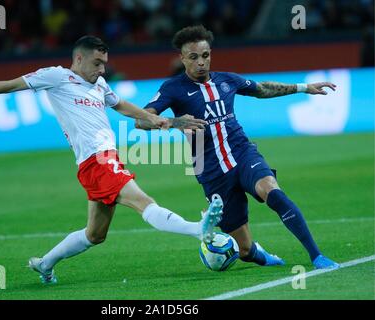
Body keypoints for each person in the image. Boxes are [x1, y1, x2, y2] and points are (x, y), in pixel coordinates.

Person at [0, 35, 223, 284]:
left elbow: (122, 106)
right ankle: (198, 230)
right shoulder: (57, 76)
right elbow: (10, 85)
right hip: (96, 161)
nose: (101, 69)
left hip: (101, 161)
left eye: (104, 64)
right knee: (143, 202)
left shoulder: (99, 85)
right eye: (97, 63)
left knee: (95, 234)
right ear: (79, 58)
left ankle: (45, 264)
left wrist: (163, 121)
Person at [137, 25, 339, 269]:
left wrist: (304, 87)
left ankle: (316, 255)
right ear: (182, 58)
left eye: (205, 55)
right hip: (211, 170)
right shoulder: (173, 88)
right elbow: (141, 120)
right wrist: (175, 121)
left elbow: (262, 89)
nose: (201, 62)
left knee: (271, 190)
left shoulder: (226, 79)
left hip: (242, 153)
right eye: (193, 57)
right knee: (242, 249)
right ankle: (259, 254)